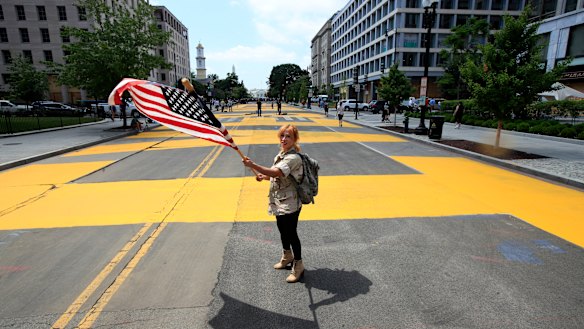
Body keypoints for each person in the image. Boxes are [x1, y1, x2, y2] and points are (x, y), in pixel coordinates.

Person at [242, 124, 305, 283]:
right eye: (282, 136)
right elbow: (276, 176)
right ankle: (287, 256)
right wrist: (263, 176)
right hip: (278, 200)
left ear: (295, 139)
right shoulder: (281, 154)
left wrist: (253, 165)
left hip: (290, 202)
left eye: (288, 136)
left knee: (291, 233)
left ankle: (298, 265)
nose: (284, 139)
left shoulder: (294, 158)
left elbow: (277, 172)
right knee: (283, 231)